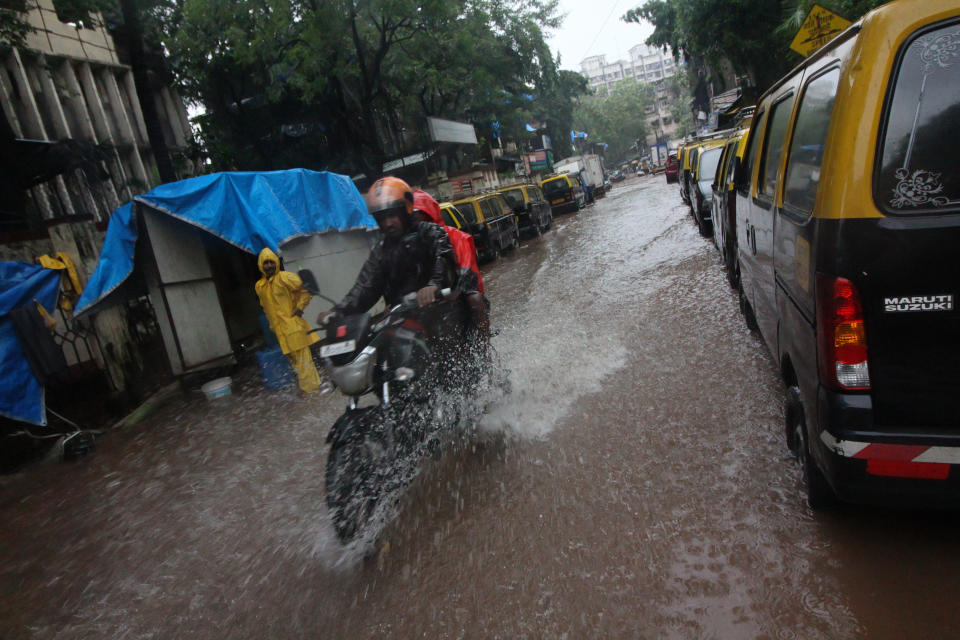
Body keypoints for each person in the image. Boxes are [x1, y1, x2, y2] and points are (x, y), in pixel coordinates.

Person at [321, 177, 459, 319]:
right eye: (381, 218)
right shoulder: (382, 249)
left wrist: (434, 285)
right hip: (404, 317)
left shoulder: (430, 232)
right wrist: (339, 311)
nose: (387, 223)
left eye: (392, 215)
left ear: (406, 210)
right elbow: (366, 286)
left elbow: (443, 258)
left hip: (442, 308)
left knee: (471, 304)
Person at [411, 189, 489, 337]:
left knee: (475, 300)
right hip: (422, 298)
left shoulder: (457, 237)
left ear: (428, 216)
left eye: (417, 217)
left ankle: (485, 349)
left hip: (456, 290)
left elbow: (467, 271)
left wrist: (454, 292)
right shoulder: (407, 245)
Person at [255, 248, 322, 394]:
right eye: (265, 263)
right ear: (260, 265)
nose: (269, 266)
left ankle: (311, 393)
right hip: (279, 330)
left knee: (304, 362)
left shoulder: (284, 277)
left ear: (276, 263)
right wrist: (273, 326)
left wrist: (299, 308)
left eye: (271, 262)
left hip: (292, 326)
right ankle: (311, 390)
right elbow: (265, 307)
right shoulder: (260, 286)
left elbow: (306, 288)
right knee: (296, 364)